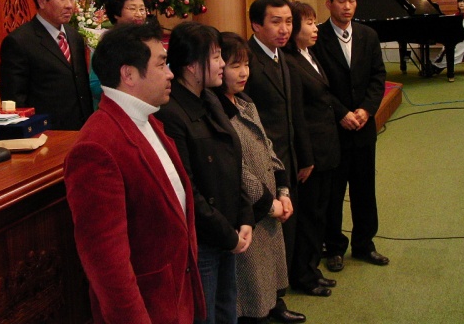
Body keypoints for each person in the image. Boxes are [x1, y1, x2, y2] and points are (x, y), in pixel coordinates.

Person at [63, 22, 205, 324]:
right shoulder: (96, 147)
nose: (170, 74)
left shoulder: (148, 119)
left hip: (175, 301)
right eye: (161, 64)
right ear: (128, 74)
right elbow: (107, 266)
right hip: (148, 311)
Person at [155, 21, 254, 324]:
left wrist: (245, 216)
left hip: (228, 226)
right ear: (191, 65)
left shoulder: (210, 98)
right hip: (204, 238)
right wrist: (226, 234)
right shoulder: (171, 113)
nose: (222, 64)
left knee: (227, 310)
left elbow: (232, 163)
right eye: (215, 57)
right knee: (205, 315)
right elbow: (187, 187)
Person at [213, 32, 293, 324]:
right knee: (251, 278)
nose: (243, 72)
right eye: (235, 65)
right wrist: (268, 203)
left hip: (271, 196)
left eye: (246, 64)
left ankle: (274, 304)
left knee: (271, 264)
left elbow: (267, 147)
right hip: (250, 205)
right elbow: (235, 167)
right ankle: (258, 312)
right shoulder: (216, 111)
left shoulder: (245, 101)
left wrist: (283, 190)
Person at [311, 0, 389, 273]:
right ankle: (334, 247)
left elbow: (378, 77)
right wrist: (342, 113)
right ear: (328, 3)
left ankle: (364, 244)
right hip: (334, 129)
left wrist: (366, 110)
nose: (347, 7)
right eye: (341, 1)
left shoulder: (368, 35)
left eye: (352, 1)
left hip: (363, 127)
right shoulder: (317, 38)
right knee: (334, 193)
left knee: (364, 189)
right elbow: (318, 84)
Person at [244, 0, 313, 324]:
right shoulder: (247, 61)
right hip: (261, 162)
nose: (284, 29)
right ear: (256, 25)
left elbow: (294, 113)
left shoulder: (282, 56)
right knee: (266, 237)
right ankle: (267, 303)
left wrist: (303, 156)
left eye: (288, 22)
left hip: (287, 160)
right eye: (276, 22)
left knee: (287, 230)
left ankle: (278, 296)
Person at [283, 2, 340, 297]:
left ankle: (313, 268)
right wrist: (306, 157)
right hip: (311, 152)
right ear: (294, 28)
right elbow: (298, 115)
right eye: (309, 23)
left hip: (327, 146)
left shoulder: (309, 53)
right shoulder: (290, 62)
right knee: (308, 216)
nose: (315, 28)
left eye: (315, 22)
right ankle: (303, 275)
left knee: (320, 213)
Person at [0, 0, 93, 130]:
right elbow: (14, 99)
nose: (69, 5)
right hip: (46, 132)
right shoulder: (19, 42)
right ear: (42, 1)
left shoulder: (74, 36)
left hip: (81, 129)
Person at [91, 0, 151, 109]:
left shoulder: (148, 40)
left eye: (142, 9)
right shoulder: (107, 43)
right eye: (132, 9)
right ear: (116, 13)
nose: (139, 14)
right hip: (115, 107)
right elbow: (95, 85)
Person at [432, 0, 464, 73]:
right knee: (446, 46)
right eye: (460, 2)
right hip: (459, 36)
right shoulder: (456, 15)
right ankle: (436, 64)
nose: (461, 3)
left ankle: (439, 66)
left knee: (455, 48)